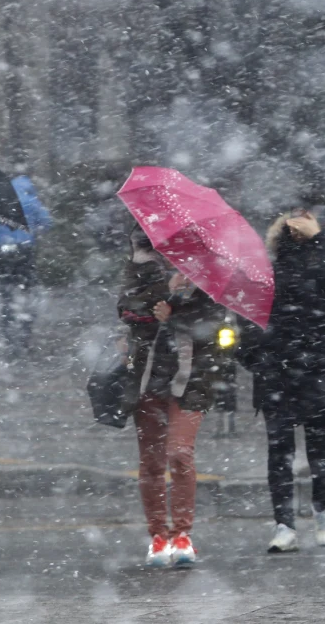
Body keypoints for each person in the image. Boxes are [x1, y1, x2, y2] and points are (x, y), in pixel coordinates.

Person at [252, 197, 325, 554]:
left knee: (320, 448)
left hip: (319, 369)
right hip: (277, 370)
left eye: (310, 222)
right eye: (295, 221)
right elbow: (246, 317)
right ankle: (283, 523)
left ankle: (322, 508)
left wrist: (319, 238)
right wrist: (255, 357)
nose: (299, 226)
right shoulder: (267, 265)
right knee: (279, 450)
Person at [117, 227, 225, 567]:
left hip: (190, 377)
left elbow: (215, 322)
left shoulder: (206, 267)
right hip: (149, 375)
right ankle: (158, 536)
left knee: (179, 453)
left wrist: (177, 314)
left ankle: (182, 533)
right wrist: (164, 294)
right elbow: (126, 308)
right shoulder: (141, 259)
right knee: (151, 463)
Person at [0, 174, 52, 352]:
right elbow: (47, 222)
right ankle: (25, 335)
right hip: (24, 251)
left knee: (7, 293)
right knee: (27, 293)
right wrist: (33, 231)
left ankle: (8, 334)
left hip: (2, 253)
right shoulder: (31, 201)